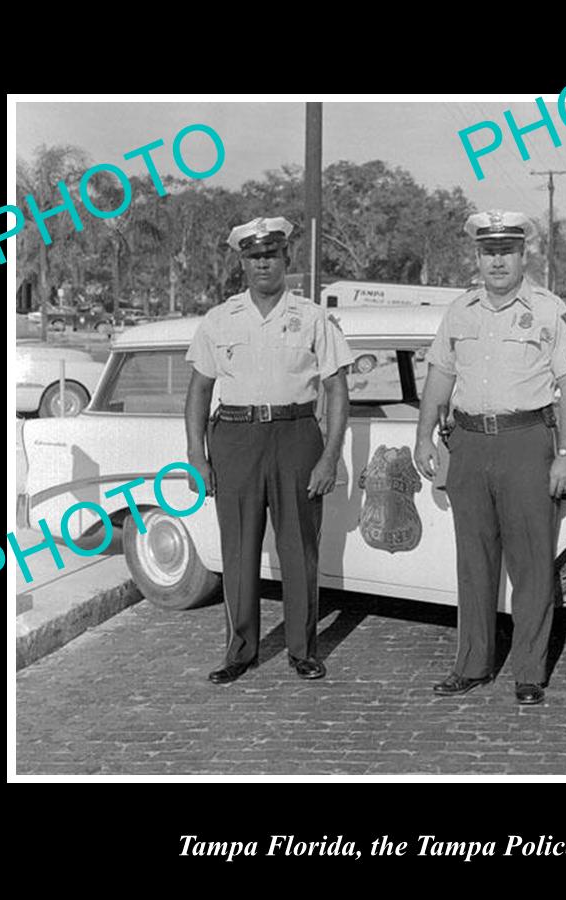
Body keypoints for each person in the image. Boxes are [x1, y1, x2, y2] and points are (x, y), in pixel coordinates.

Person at [414, 210, 566, 706]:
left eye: (506, 251)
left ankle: (529, 671)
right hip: (468, 442)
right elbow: (441, 376)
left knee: (531, 563)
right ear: (477, 256)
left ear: (522, 254)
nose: (497, 261)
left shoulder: (550, 309)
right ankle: (472, 664)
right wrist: (425, 434)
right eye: (488, 252)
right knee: (473, 561)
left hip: (525, 440)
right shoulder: (460, 310)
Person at [184, 216, 353, 684]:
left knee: (299, 546)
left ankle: (302, 649)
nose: (263, 264)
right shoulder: (219, 319)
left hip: (296, 435)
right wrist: (197, 457)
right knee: (238, 548)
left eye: (271, 255)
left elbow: (337, 390)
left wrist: (330, 455)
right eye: (254, 257)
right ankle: (240, 650)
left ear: (286, 259)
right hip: (235, 438)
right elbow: (199, 391)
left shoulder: (313, 317)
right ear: (243, 262)